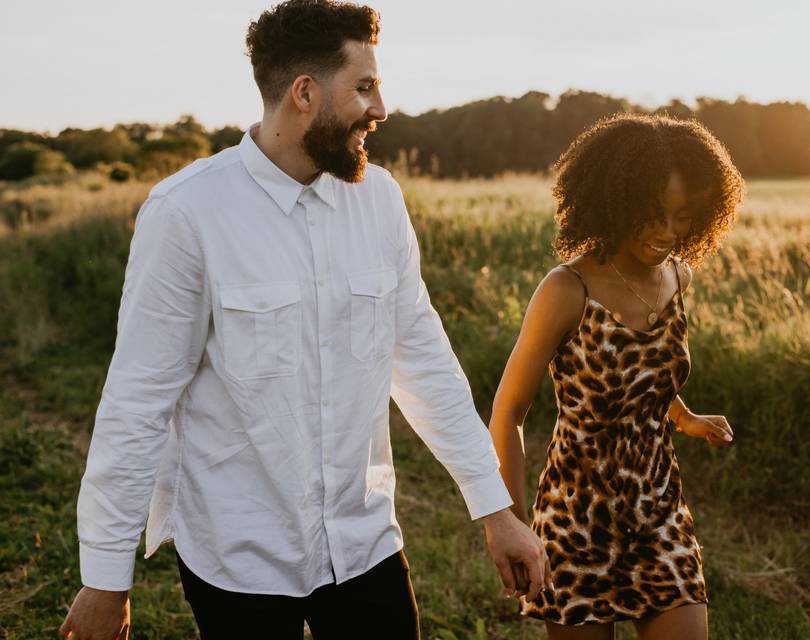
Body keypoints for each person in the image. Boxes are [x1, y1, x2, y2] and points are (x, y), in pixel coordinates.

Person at [59, 2, 546, 639]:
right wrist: (104, 576)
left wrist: (496, 510)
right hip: (238, 559)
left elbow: (424, 361)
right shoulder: (187, 213)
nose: (382, 109)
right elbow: (138, 400)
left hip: (364, 539)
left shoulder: (380, 199)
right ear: (305, 93)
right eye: (365, 87)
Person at [489, 114, 744, 640]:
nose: (668, 233)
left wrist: (685, 417)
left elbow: (645, 376)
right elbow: (508, 412)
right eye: (652, 214)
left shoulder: (678, 276)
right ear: (614, 199)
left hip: (658, 510)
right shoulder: (567, 290)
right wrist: (514, 524)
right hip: (578, 518)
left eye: (682, 216)